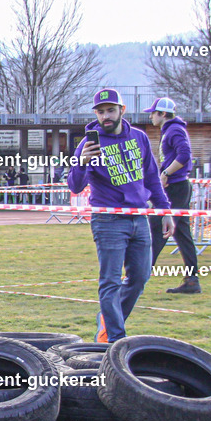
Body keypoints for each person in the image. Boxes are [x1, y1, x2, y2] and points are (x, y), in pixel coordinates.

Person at [69, 89, 173, 342]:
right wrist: (82, 162)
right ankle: (114, 340)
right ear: (96, 113)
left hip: (140, 218)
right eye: (101, 111)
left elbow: (151, 178)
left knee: (139, 277)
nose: (106, 116)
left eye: (110, 110)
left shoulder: (139, 137)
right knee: (111, 281)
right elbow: (74, 185)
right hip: (108, 220)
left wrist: (165, 211)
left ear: (121, 110)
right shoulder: (88, 143)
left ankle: (108, 319)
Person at [144, 97, 200, 294]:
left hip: (174, 187)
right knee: (182, 233)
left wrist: (166, 174)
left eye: (153, 113)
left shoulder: (174, 130)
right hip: (178, 187)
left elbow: (184, 155)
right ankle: (192, 281)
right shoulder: (171, 130)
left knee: (157, 228)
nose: (150, 116)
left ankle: (138, 277)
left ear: (163, 114)